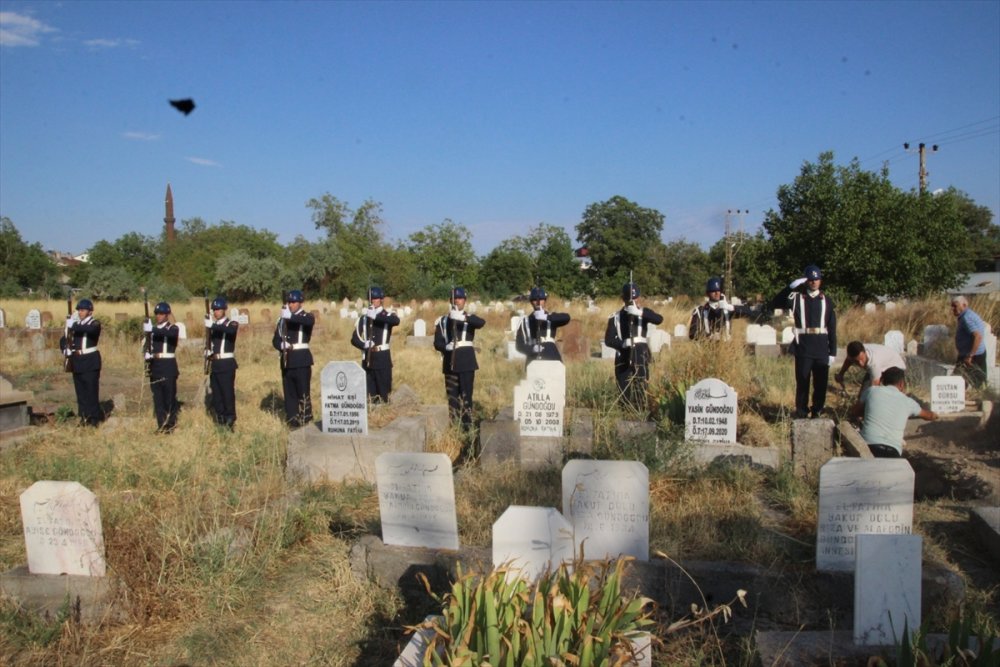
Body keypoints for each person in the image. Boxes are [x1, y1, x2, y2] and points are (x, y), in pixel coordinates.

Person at [848, 366, 937, 458]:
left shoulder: (871, 391)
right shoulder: (908, 402)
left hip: (868, 447)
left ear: (883, 381)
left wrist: (868, 412)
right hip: (893, 451)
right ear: (902, 384)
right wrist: (936, 414)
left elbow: (854, 412)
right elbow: (929, 416)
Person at [604, 282, 664, 413]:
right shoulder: (615, 317)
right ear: (623, 299)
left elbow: (659, 319)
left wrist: (640, 313)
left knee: (641, 387)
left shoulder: (644, 312)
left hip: (640, 354)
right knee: (623, 388)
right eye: (630, 299)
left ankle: (641, 413)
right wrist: (622, 344)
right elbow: (608, 340)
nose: (633, 301)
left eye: (636, 298)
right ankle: (625, 413)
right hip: (623, 355)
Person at [433, 287, 485, 432]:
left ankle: (468, 426)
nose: (457, 301)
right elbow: (437, 342)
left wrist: (463, 318)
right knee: (452, 398)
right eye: (455, 298)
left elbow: (481, 323)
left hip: (467, 362)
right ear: (451, 301)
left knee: (466, 396)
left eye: (460, 298)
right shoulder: (443, 321)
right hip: (450, 362)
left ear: (465, 301)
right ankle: (455, 426)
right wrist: (445, 347)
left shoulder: (470, 318)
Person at [788, 265, 837, 419]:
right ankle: (801, 411)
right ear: (806, 281)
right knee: (802, 382)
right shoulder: (797, 299)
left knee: (820, 383)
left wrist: (833, 352)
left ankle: (817, 410)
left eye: (816, 279)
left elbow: (832, 328)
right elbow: (777, 300)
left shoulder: (827, 301)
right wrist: (792, 286)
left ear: (820, 281)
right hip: (803, 346)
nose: (814, 282)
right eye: (810, 280)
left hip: (821, 347)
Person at [350, 286, 400, 404]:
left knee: (384, 393)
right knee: (370, 395)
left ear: (381, 300)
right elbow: (354, 338)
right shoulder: (364, 318)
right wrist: (364, 344)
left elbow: (395, 321)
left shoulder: (387, 315)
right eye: (371, 299)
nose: (373, 301)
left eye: (376, 299)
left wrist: (376, 316)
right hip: (368, 359)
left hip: (382, 359)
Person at [273, 289, 314, 428]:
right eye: (289, 302)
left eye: (293, 302)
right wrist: (280, 344)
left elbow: (307, 322)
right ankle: (292, 421)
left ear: (300, 302)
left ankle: (306, 420)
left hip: (301, 359)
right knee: (289, 393)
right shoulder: (281, 320)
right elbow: (275, 339)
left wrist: (289, 316)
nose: (291, 304)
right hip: (286, 360)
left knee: (303, 391)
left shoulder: (306, 316)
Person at [59, 298, 103, 426]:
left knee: (91, 391)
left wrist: (73, 325)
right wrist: (65, 349)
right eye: (79, 310)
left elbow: (90, 331)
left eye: (83, 310)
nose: (80, 312)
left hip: (90, 360)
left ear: (90, 311)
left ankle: (94, 418)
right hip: (76, 361)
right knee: (81, 392)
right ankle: (84, 417)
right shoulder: (75, 324)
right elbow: (63, 339)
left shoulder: (95, 323)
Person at [145, 301, 180, 433]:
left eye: (161, 314)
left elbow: (169, 335)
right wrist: (147, 353)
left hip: (168, 365)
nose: (158, 316)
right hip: (155, 365)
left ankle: (170, 425)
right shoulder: (152, 329)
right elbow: (148, 343)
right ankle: (161, 424)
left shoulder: (173, 328)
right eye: (157, 314)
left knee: (169, 396)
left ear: (167, 315)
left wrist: (151, 329)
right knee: (158, 397)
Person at [205, 296, 239, 430]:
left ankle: (230, 418)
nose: (216, 312)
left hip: (227, 363)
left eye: (218, 309)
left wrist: (212, 325)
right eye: (214, 310)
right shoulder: (213, 327)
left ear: (224, 310)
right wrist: (208, 351)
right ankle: (220, 419)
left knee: (227, 392)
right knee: (217, 393)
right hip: (216, 363)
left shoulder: (231, 324)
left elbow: (230, 331)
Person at [515, 287, 571, 364]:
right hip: (533, 358)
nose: (538, 302)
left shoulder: (551, 318)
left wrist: (546, 317)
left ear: (544, 301)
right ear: (531, 302)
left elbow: (567, 318)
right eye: (535, 300)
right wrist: (531, 349)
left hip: (551, 355)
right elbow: (519, 345)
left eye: (541, 299)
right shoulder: (525, 322)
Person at [834, 341, 906, 397]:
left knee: (892, 394)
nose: (861, 364)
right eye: (856, 361)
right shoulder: (854, 353)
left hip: (895, 366)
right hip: (881, 363)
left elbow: (874, 390)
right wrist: (841, 374)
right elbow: (848, 360)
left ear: (865, 352)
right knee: (863, 395)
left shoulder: (874, 363)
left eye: (862, 359)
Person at [951, 295, 988, 389]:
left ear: (964, 305)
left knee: (957, 380)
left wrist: (970, 355)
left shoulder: (967, 318)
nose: (953, 309)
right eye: (952, 306)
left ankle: (982, 400)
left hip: (972, 355)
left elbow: (977, 336)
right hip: (976, 353)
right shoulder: (969, 314)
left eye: (955, 306)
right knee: (972, 380)